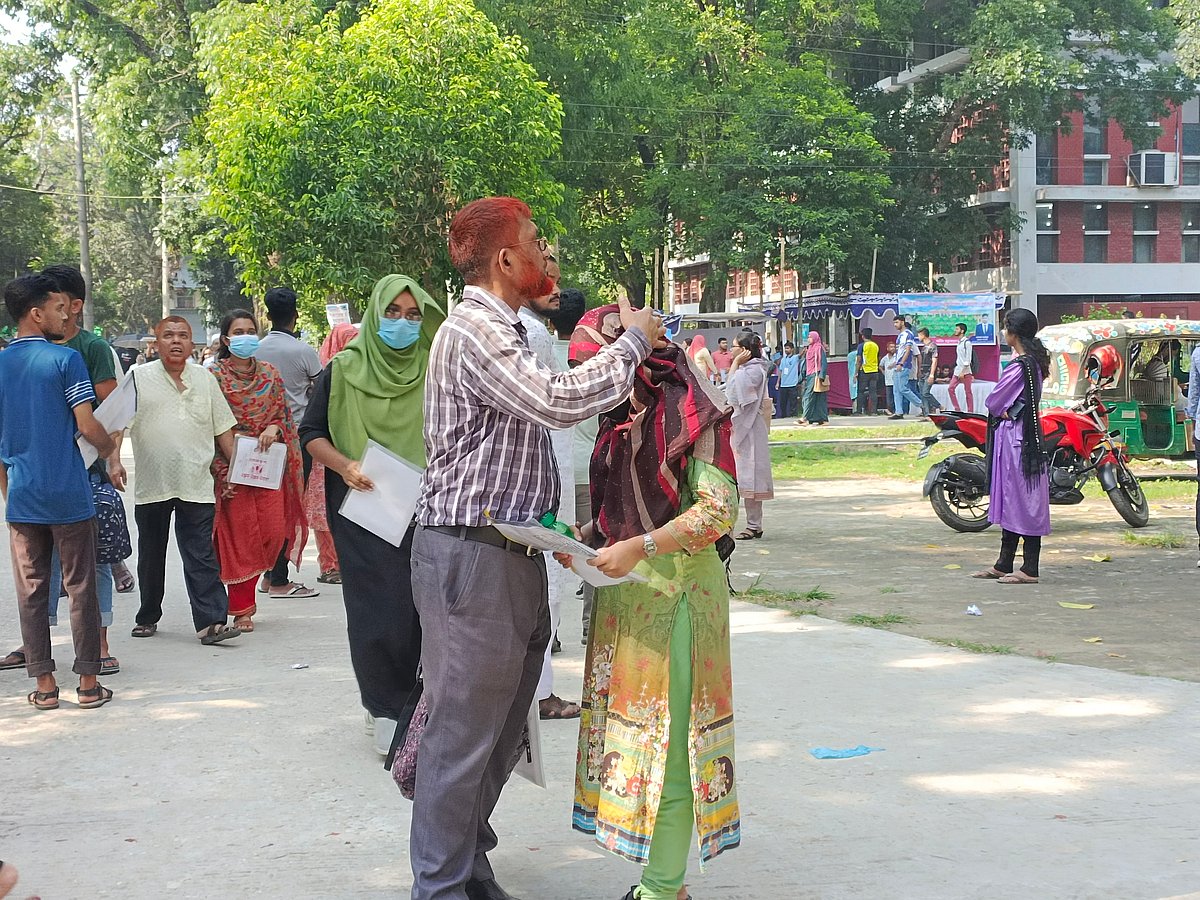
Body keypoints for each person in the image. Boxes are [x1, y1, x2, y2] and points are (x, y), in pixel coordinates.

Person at [410, 196, 662, 900]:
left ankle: (467, 868)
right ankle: (439, 886)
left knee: (496, 736)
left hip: (508, 551)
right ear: (505, 259)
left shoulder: (510, 330)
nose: (545, 253)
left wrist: (559, 533)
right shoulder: (474, 330)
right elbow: (554, 401)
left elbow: (512, 450)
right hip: (470, 558)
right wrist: (634, 343)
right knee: (463, 736)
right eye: (534, 241)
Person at [565, 303, 741, 900]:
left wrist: (640, 545)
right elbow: (622, 510)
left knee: (671, 746)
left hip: (680, 600)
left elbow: (717, 511)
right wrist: (584, 540)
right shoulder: (622, 424)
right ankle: (661, 881)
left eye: (600, 373)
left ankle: (663, 889)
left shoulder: (693, 413)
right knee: (635, 742)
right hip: (631, 598)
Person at [301, 275, 444, 756]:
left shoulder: (438, 370)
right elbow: (311, 433)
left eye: (411, 316)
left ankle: (420, 705)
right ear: (373, 314)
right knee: (377, 611)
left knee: (424, 609)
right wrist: (346, 465)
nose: (402, 323)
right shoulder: (342, 370)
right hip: (364, 511)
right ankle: (384, 707)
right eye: (392, 313)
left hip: (428, 507)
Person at [1, 264, 126, 675]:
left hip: (23, 496)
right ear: (36, 314)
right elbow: (88, 424)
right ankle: (89, 682)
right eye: (58, 308)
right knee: (81, 587)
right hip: (71, 494)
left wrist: (8, 494)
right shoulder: (66, 359)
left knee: (32, 592)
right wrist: (109, 450)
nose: (66, 316)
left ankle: (43, 684)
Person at [127, 317, 241, 645]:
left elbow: (224, 431)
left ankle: (211, 623)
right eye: (168, 336)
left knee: (201, 554)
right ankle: (148, 614)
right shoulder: (138, 377)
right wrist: (111, 463)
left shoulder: (205, 379)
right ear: (157, 342)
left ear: (193, 344)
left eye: (183, 336)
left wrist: (235, 472)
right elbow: (117, 425)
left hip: (196, 482)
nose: (176, 341)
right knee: (151, 553)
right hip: (153, 483)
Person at [210, 310, 308, 633]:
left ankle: (256, 588)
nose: (245, 336)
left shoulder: (270, 375)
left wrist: (274, 429)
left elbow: (284, 417)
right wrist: (226, 455)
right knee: (240, 539)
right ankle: (241, 609)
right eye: (238, 331)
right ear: (226, 339)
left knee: (270, 532)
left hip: (268, 468)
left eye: (250, 330)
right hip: (230, 470)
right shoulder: (214, 377)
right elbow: (209, 424)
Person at [517, 273, 582, 722]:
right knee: (547, 588)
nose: (554, 285)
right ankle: (539, 694)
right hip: (544, 479)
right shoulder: (532, 332)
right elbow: (558, 405)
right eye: (545, 275)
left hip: (536, 478)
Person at [971, 308, 1050, 584]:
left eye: (1005, 328)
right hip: (1021, 436)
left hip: (1017, 439)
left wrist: (1002, 410)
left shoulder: (1019, 366)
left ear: (1012, 332)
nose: (1004, 333)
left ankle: (1029, 567)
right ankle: (1004, 563)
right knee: (1012, 500)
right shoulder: (1033, 361)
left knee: (1022, 500)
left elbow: (994, 401)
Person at [255, 286, 322, 599]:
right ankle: (279, 578)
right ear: (295, 316)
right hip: (295, 439)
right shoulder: (304, 351)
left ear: (267, 316)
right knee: (289, 508)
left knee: (268, 506)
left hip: (261, 440)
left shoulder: (255, 350)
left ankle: (269, 573)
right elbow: (321, 391)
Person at [548, 289, 596, 646]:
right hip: (591, 470)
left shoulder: (538, 353)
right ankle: (589, 625)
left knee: (544, 551)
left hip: (551, 471)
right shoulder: (595, 361)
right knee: (590, 550)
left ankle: (548, 633)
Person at [305, 324, 360, 585]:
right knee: (323, 513)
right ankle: (329, 564)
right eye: (347, 340)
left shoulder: (363, 372)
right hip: (326, 457)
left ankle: (340, 562)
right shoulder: (331, 373)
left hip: (352, 460)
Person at [727, 332, 774, 539]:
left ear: (745, 350)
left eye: (735, 347)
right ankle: (740, 524)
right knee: (739, 476)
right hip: (741, 428)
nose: (731, 350)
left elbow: (734, 396)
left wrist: (735, 364)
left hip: (751, 428)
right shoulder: (746, 370)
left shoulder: (753, 371)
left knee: (751, 476)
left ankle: (754, 524)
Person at [888, 315, 926, 420]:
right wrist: (895, 363)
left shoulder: (908, 334)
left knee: (903, 388)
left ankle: (921, 404)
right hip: (898, 365)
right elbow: (900, 351)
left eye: (896, 322)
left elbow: (908, 350)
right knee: (896, 390)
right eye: (894, 323)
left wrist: (901, 363)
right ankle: (899, 411)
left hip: (904, 366)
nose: (895, 325)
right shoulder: (900, 335)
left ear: (902, 322)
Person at [800, 330, 829, 426]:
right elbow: (806, 364)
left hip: (816, 374)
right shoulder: (809, 349)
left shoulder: (819, 348)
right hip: (809, 375)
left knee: (808, 396)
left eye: (810, 336)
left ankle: (805, 418)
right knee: (818, 398)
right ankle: (821, 419)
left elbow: (823, 362)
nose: (808, 338)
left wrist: (821, 375)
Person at [916, 327, 942, 419]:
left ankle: (939, 406)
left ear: (923, 335)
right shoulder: (923, 347)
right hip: (922, 372)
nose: (918, 337)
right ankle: (926, 414)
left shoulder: (933, 346)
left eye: (919, 335)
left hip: (928, 372)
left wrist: (931, 374)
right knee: (922, 394)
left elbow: (934, 361)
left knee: (925, 393)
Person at [949, 322, 975, 412]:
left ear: (962, 331)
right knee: (950, 388)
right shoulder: (959, 343)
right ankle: (957, 409)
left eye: (957, 329)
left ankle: (970, 411)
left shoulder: (967, 343)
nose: (955, 331)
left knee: (968, 392)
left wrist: (963, 372)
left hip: (966, 371)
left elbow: (968, 359)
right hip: (958, 370)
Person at [858, 328, 880, 415]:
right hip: (874, 371)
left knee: (861, 391)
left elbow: (859, 359)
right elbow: (878, 357)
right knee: (873, 392)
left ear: (863, 336)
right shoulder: (875, 345)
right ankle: (874, 411)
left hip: (865, 370)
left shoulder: (862, 346)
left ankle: (859, 411)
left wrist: (856, 372)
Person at [777, 342, 801, 418]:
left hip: (792, 384)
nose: (786, 350)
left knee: (793, 401)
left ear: (792, 349)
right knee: (783, 402)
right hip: (783, 384)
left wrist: (805, 348)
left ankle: (793, 415)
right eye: (785, 348)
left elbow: (801, 355)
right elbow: (780, 371)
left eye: (788, 348)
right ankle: (783, 415)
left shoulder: (795, 358)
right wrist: (778, 382)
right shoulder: (783, 360)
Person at [881, 341, 898, 415]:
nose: (893, 348)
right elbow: (880, 366)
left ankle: (896, 410)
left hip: (896, 380)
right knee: (889, 397)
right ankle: (890, 410)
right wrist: (883, 372)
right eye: (891, 347)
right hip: (888, 380)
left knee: (896, 396)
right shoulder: (885, 358)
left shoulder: (897, 357)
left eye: (894, 347)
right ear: (887, 348)